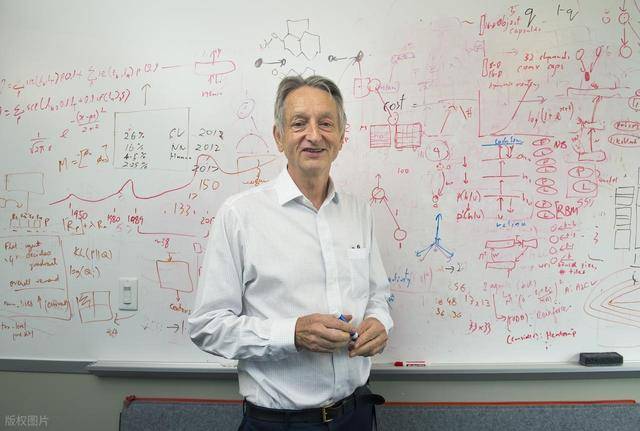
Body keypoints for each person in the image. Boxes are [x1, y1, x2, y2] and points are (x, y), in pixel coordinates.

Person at [188, 75, 393, 430]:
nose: (314, 135)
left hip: (357, 415)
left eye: (326, 123)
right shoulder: (240, 215)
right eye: (299, 123)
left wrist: (380, 323)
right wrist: (293, 334)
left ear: (341, 137)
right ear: (279, 136)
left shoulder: (359, 212)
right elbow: (208, 326)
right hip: (279, 424)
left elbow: (378, 296)